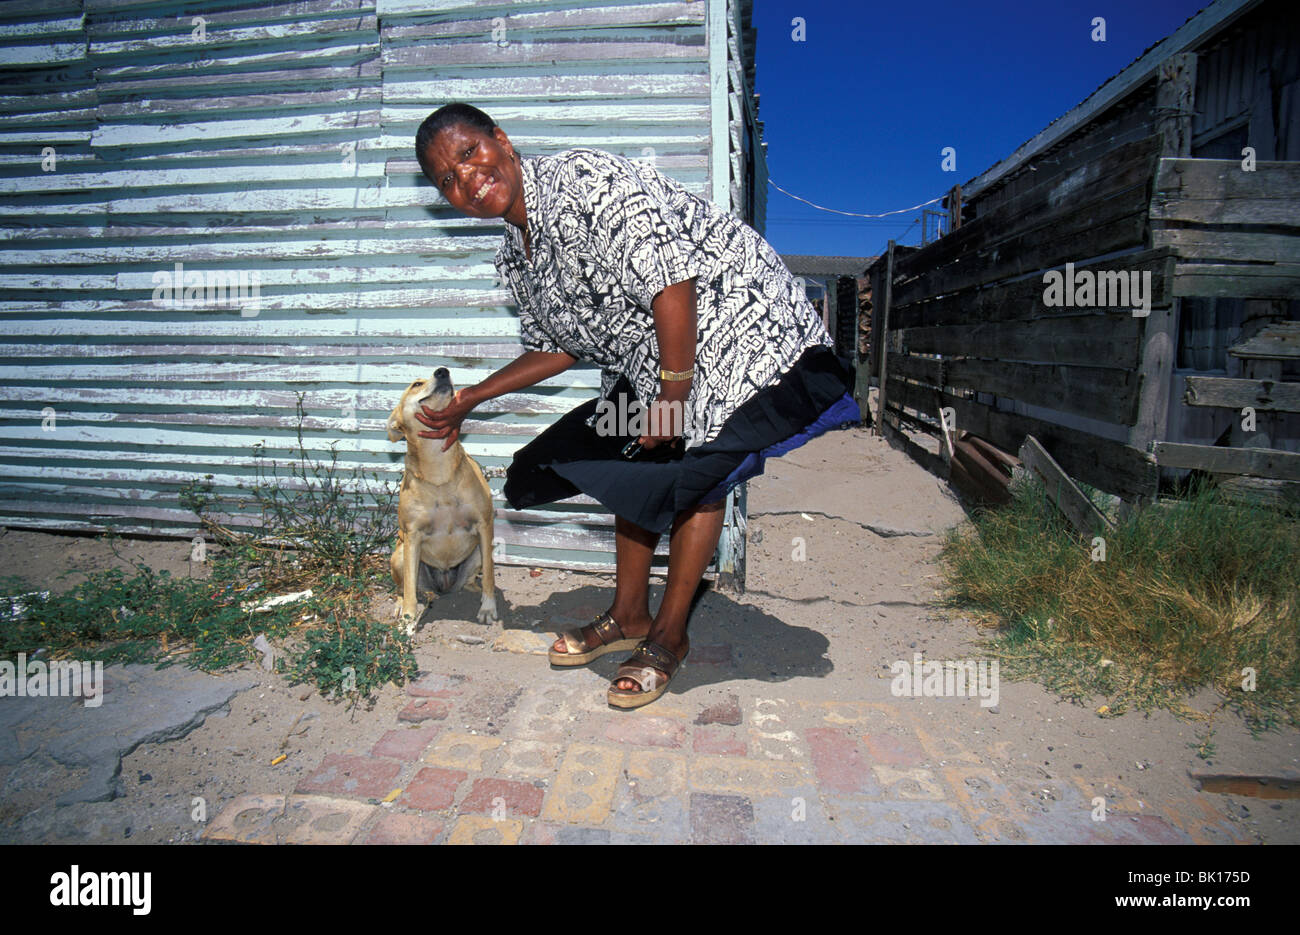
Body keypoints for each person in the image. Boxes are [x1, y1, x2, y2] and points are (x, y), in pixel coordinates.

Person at [413, 103, 860, 709]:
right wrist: (470, 397)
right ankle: (627, 614)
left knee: (697, 464)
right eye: (447, 179)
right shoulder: (515, 258)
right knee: (628, 464)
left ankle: (670, 634)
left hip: (729, 318)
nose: (466, 180)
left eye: (469, 154)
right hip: (653, 348)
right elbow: (557, 347)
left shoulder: (585, 181)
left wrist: (674, 400)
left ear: (502, 139)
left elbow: (672, 279)